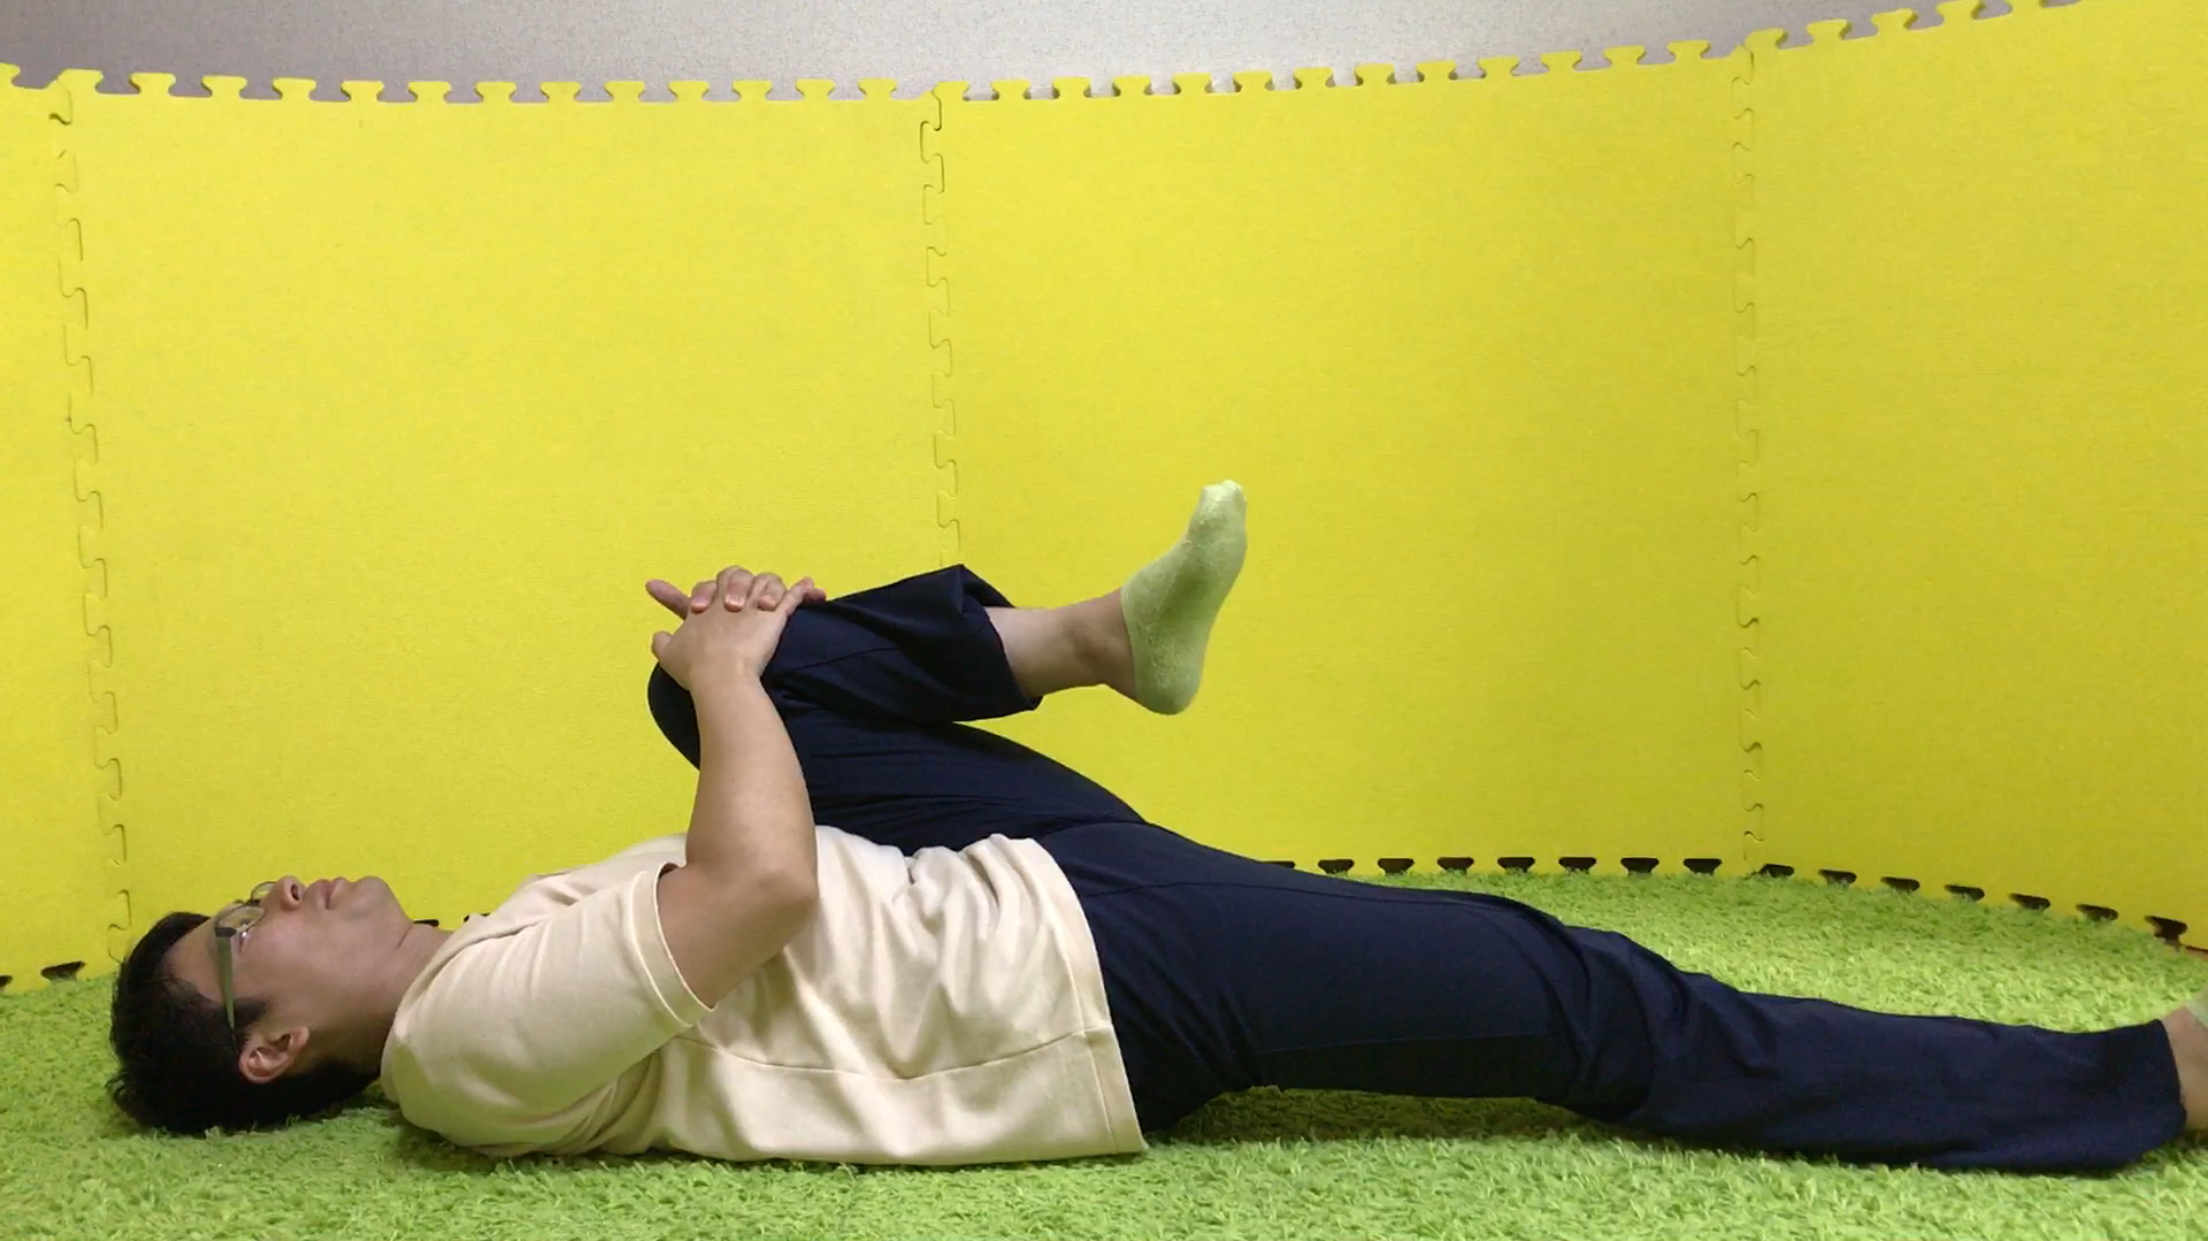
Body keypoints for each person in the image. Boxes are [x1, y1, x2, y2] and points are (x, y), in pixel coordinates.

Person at [106, 482, 2208, 1172]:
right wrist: (747, 676)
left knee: (700, 682)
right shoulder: (465, 1053)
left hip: (1000, 880)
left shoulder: (486, 953)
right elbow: (751, 881)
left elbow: (761, 840)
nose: (276, 892)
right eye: (240, 935)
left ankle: (1104, 639)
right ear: (271, 1048)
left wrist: (740, 672)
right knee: (1579, 996)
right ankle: (2142, 1081)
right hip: (1089, 980)